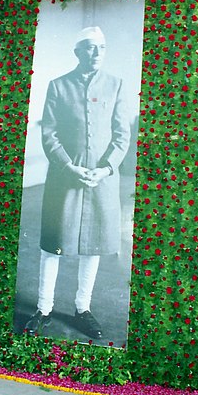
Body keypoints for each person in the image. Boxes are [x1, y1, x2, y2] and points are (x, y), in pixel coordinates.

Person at [24, 26, 131, 339]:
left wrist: (106, 168)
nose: (95, 53)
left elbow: (121, 135)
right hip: (64, 179)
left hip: (102, 181)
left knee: (92, 245)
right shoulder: (58, 86)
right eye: (88, 47)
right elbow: (49, 133)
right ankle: (43, 309)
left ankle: (82, 309)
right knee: (53, 245)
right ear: (77, 52)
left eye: (101, 47)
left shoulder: (116, 84)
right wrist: (69, 166)